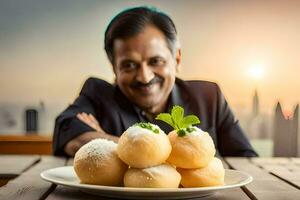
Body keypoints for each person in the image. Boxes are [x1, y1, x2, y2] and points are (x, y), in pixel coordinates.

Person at [53, 6, 257, 157]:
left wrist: (104, 140)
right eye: (129, 65)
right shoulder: (98, 94)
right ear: (114, 68)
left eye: (156, 61)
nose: (144, 77)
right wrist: (181, 155)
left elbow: (246, 161)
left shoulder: (209, 97)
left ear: (177, 59)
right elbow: (71, 137)